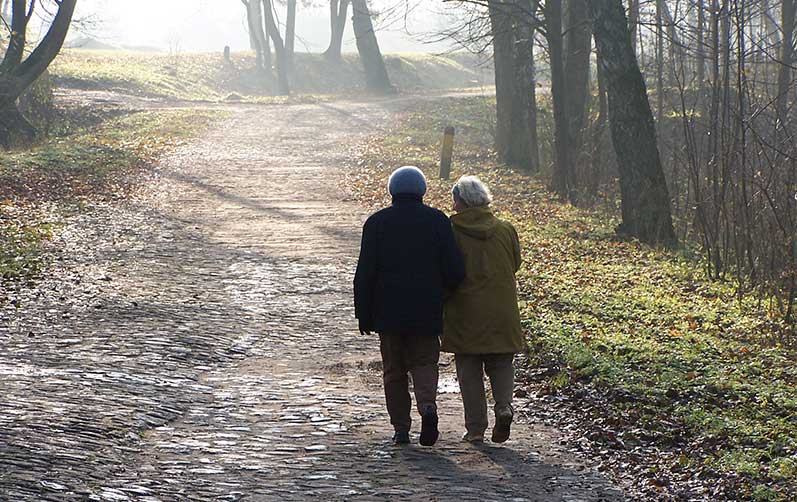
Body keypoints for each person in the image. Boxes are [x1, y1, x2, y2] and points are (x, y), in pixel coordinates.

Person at [354, 166, 465, 446]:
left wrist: (364, 314)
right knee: (425, 363)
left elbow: (365, 273)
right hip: (426, 309)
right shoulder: (438, 221)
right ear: (422, 191)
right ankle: (427, 407)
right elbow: (453, 268)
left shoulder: (377, 223)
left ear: (392, 191)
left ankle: (401, 428)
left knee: (394, 370)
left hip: (387, 311)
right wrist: (445, 294)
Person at [442, 175, 524, 444]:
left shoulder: (451, 231)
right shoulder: (506, 228)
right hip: (502, 308)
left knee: (469, 367)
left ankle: (475, 428)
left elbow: (446, 269)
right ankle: (504, 406)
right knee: (501, 362)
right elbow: (515, 263)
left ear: (461, 202)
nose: (452, 206)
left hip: (465, 309)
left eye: (455, 200)